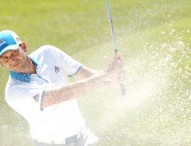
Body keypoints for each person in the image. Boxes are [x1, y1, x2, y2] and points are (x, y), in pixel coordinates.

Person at [0, 30, 125, 146]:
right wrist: (105, 75)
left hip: (84, 137)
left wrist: (112, 80)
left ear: (23, 47)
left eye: (14, 52)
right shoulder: (14, 93)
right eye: (4, 58)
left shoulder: (48, 53)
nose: (12, 60)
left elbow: (85, 75)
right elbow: (62, 95)